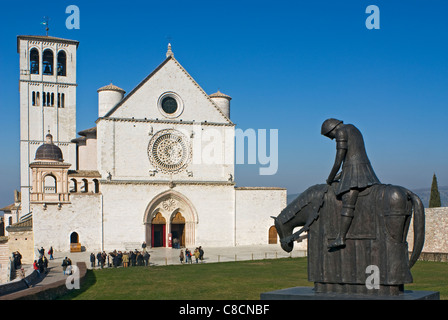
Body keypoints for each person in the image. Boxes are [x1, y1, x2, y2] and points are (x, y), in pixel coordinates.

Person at [321, 118, 380, 249]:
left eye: (329, 135)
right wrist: (339, 175)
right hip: (364, 169)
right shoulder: (354, 128)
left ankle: (341, 237)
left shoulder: (341, 132)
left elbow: (339, 160)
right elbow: (353, 157)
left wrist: (330, 178)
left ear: (332, 129)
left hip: (355, 173)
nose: (331, 138)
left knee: (348, 203)